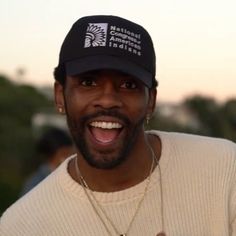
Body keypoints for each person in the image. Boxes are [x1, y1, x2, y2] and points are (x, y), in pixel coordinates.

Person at [0, 15, 236, 236]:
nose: (108, 100)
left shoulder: (225, 168)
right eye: (88, 82)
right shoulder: (20, 226)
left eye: (129, 85)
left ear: (151, 100)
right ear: (60, 95)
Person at [20, 127, 74, 195]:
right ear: (51, 155)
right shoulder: (35, 184)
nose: (69, 157)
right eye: (64, 153)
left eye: (71, 153)